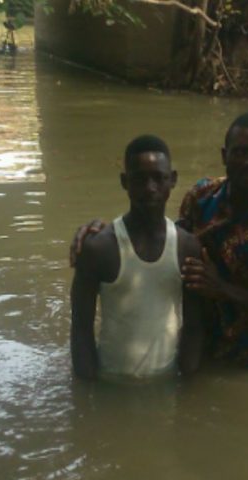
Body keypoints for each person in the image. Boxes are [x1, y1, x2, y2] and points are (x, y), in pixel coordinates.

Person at [71, 112, 248, 367]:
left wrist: (225, 290)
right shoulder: (202, 196)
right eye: (241, 152)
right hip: (192, 347)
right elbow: (162, 239)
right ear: (224, 155)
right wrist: (106, 234)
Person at [70, 135, 203, 380]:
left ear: (173, 179)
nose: (150, 188)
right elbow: (81, 329)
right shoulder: (100, 248)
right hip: (111, 380)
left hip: (166, 379)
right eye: (140, 179)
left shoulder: (187, 246)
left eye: (159, 178)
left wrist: (188, 386)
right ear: (125, 182)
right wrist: (87, 395)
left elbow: (194, 326)